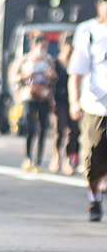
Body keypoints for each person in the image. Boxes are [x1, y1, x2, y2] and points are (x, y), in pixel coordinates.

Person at [68, 0, 107, 221]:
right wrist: (74, 101)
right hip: (96, 108)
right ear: (99, 6)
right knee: (93, 159)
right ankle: (94, 197)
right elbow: (76, 73)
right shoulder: (89, 34)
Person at [12, 34, 57, 172]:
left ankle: (38, 162)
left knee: (43, 128)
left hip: (44, 96)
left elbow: (55, 78)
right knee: (31, 127)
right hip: (28, 96)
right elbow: (13, 77)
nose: (44, 49)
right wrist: (26, 76)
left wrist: (51, 76)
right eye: (42, 46)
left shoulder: (49, 60)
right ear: (34, 46)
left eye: (46, 47)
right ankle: (28, 158)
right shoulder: (24, 60)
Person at [49, 34, 77, 175]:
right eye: (67, 45)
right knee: (59, 131)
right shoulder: (55, 63)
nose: (70, 48)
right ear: (61, 46)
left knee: (73, 132)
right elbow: (50, 83)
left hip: (73, 100)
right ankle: (57, 157)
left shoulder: (76, 64)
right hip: (58, 100)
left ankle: (69, 160)